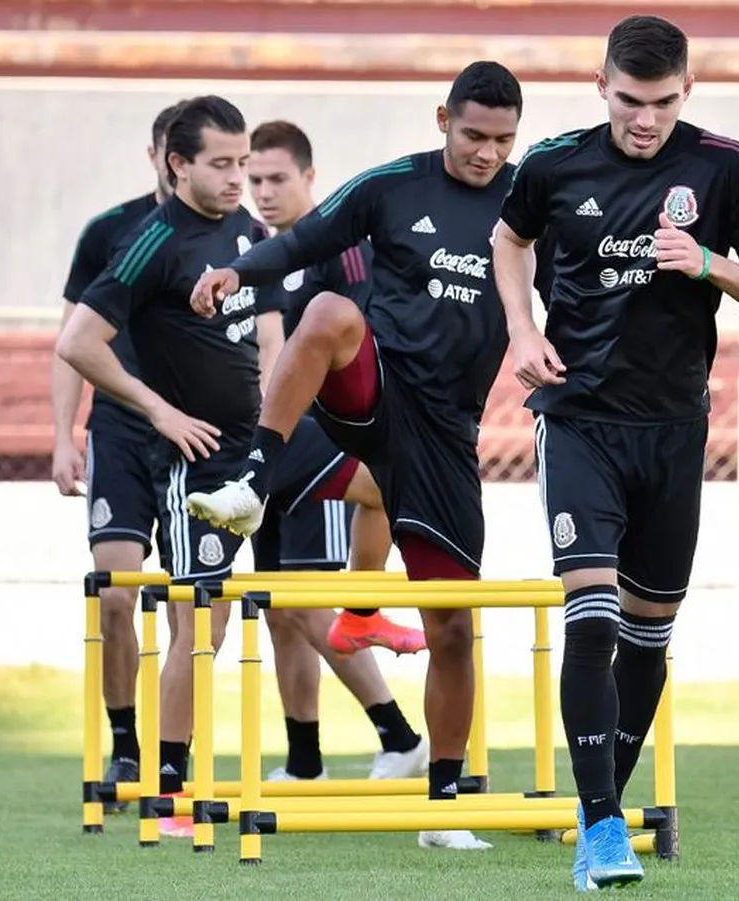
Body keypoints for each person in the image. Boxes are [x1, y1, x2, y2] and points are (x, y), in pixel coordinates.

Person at [185, 61, 526, 851]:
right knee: (332, 309)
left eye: (503, 139)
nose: (485, 152)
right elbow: (302, 240)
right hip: (377, 390)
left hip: (446, 437)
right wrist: (237, 270)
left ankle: (443, 804)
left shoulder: (527, 196)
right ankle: (254, 478)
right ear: (443, 117)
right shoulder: (391, 186)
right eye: (473, 134)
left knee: (452, 630)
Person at [493, 14, 739, 890]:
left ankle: (605, 813)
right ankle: (598, 827)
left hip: (675, 429)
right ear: (602, 87)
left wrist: (709, 263)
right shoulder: (552, 166)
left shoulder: (722, 166)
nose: (645, 120)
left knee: (649, 631)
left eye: (663, 102)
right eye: (630, 100)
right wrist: (520, 328)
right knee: (588, 613)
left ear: (686, 92)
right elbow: (507, 242)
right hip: (580, 418)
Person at [55, 95, 378, 839]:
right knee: (203, 621)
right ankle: (169, 785)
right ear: (178, 164)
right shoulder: (151, 240)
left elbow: (268, 338)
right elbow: (77, 340)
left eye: (246, 163)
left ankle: (364, 615)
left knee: (387, 484)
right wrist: (160, 412)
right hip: (200, 459)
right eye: (224, 165)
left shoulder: (246, 232)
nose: (241, 179)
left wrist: (281, 407)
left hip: (270, 438)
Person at [245, 118, 428, 783]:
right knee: (279, 608)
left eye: (276, 179)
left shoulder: (336, 249)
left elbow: (357, 337)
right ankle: (304, 761)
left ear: (308, 177)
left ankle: (400, 732)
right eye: (253, 179)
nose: (263, 191)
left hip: (324, 434)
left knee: (308, 603)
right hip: (277, 440)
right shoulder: (271, 257)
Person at [51, 99, 185, 810]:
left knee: (196, 607)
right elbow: (70, 337)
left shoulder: (227, 237)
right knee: (116, 596)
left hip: (193, 432)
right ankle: (125, 743)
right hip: (121, 432)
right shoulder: (110, 231)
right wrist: (61, 433)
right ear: (159, 157)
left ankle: (175, 757)